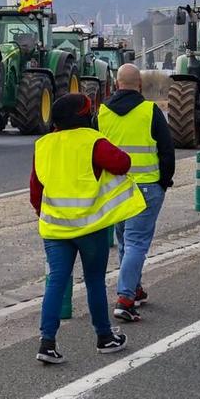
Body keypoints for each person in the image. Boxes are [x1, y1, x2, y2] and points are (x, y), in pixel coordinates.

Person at [32, 92, 143, 364]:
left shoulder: (43, 144)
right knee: (94, 280)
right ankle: (104, 337)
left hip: (55, 229)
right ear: (85, 116)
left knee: (56, 281)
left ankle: (47, 343)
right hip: (90, 229)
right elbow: (122, 163)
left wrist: (46, 214)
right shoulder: (92, 141)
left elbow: (36, 191)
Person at [98, 63, 174, 322]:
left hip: (115, 188)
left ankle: (135, 287)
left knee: (124, 241)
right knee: (136, 244)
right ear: (139, 84)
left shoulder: (102, 113)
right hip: (146, 187)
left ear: (117, 84)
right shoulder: (150, 111)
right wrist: (164, 181)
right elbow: (167, 151)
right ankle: (125, 298)